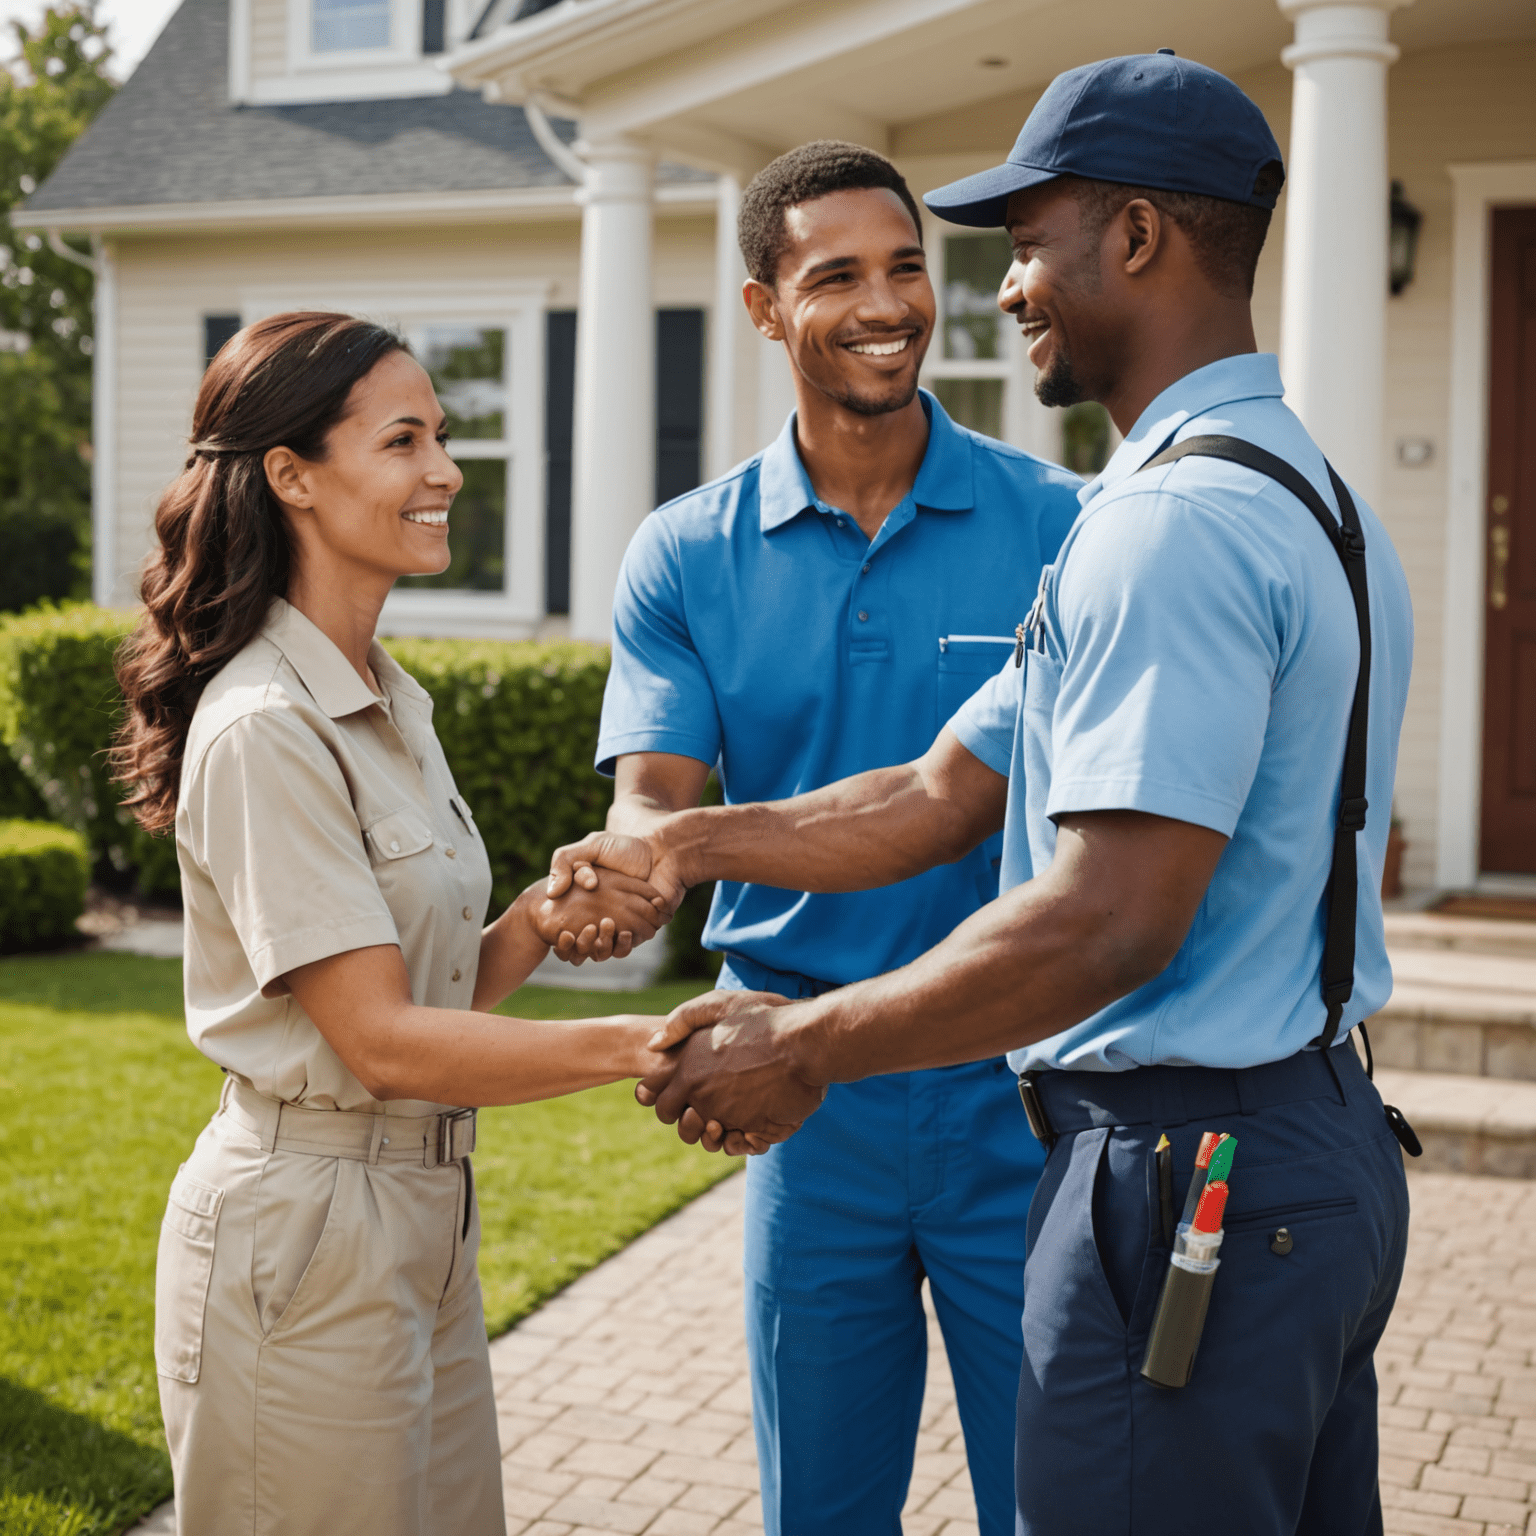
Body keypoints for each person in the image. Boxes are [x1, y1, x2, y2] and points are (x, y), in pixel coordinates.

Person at [560, 53, 1415, 1536]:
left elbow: (1107, 924)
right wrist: (684, 843)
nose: (1003, 289)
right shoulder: (1305, 495)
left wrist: (809, 1041)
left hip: (1181, 1162)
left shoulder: (1151, 528)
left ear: (1137, 238)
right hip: (1298, 1144)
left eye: (1029, 243)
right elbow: (946, 788)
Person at [571, 140, 1080, 1536]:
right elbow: (658, 799)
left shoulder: (1064, 526)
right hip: (803, 1100)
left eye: (908, 266)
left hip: (1017, 1089)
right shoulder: (685, 552)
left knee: (1052, 1498)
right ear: (760, 307)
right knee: (826, 1511)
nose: (886, 302)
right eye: (837, 274)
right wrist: (630, 866)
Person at [113, 311, 672, 1536]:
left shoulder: (387, 698)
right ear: (292, 476)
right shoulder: (269, 723)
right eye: (404, 439)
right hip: (303, 1242)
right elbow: (381, 1044)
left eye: (444, 435)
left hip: (423, 1218)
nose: (447, 471)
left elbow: (428, 997)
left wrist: (535, 915)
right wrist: (654, 1044)